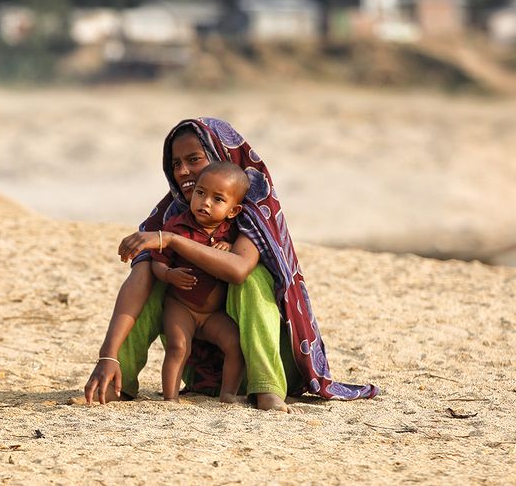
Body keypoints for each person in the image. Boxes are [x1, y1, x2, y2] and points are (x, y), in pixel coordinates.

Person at [84, 118, 378, 411]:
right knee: (153, 272)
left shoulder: (252, 213)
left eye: (194, 159)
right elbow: (139, 280)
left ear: (219, 158)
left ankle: (267, 391)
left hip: (269, 362)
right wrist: (107, 354)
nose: (183, 171)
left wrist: (171, 241)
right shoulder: (171, 215)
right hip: (202, 368)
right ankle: (116, 379)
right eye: (175, 164)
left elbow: (238, 270)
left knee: (252, 278)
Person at [151, 162, 249, 403]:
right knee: (178, 347)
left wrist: (228, 248)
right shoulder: (177, 226)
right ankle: (170, 398)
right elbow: (157, 261)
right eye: (200, 193)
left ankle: (228, 395)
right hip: (181, 306)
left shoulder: (232, 232)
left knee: (236, 344)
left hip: (212, 313)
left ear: (233, 211)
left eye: (217, 199)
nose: (205, 202)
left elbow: (238, 261)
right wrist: (167, 275)